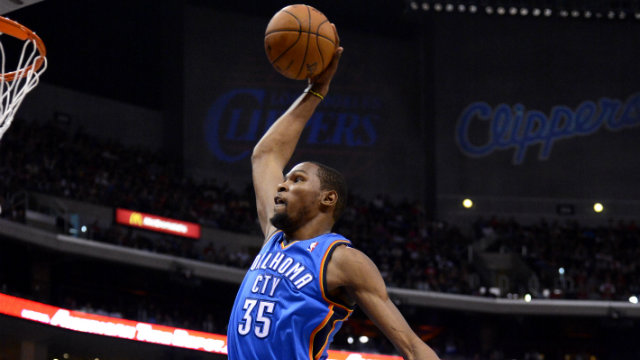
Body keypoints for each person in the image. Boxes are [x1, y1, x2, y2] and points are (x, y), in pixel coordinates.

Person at [227, 26, 440, 360]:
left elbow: (412, 347)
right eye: (285, 180)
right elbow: (266, 155)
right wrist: (316, 91)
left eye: (297, 180)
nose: (282, 185)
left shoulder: (341, 260)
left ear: (327, 199)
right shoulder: (274, 235)